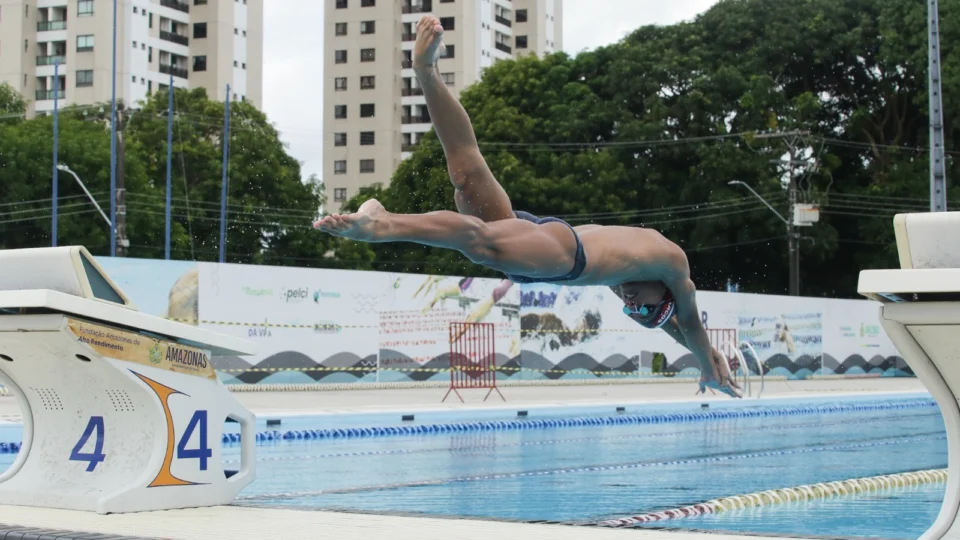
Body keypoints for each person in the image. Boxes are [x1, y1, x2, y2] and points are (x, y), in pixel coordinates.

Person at [314, 16, 742, 398]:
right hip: (561, 253)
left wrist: (707, 357)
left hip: (542, 237)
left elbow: (677, 329)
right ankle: (382, 223)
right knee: (479, 242)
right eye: (644, 307)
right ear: (666, 291)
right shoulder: (672, 265)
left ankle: (426, 72)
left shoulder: (635, 279)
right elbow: (688, 324)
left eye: (634, 313)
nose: (631, 304)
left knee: (467, 172)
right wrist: (708, 365)